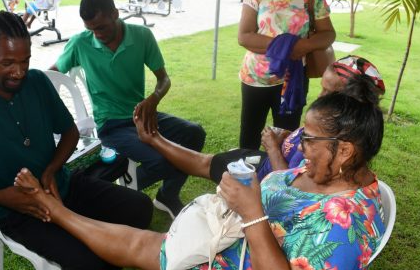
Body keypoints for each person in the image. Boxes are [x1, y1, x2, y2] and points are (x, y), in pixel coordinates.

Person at [14, 85, 387, 270]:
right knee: (139, 242)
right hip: (228, 251)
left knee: (138, 245)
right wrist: (155, 139)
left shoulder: (346, 227)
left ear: (345, 150)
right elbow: (207, 164)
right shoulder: (326, 171)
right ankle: (58, 211)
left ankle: (55, 211)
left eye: (308, 139)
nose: (299, 144)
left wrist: (252, 212)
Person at [0, 11, 154, 270]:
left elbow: (70, 132)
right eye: (8, 62)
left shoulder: (36, 82)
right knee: (82, 261)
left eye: (25, 61)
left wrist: (51, 170)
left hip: (62, 186)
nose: (19, 71)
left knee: (138, 207)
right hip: (18, 211)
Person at [50, 0, 206, 218]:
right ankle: (118, 192)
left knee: (194, 133)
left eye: (101, 27)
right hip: (110, 125)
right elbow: (52, 75)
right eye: (90, 29)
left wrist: (153, 99)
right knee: (164, 159)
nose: (96, 34)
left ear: (115, 14)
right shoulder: (80, 44)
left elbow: (164, 79)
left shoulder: (141, 36)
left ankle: (166, 195)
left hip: (141, 116)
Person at [135, 55, 385, 185]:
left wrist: (274, 147)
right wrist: (288, 136)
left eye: (330, 93)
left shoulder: (331, 151)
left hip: (265, 177)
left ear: (351, 104)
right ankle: (155, 141)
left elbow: (289, 185)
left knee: (205, 163)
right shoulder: (339, 131)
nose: (320, 97)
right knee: (215, 160)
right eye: (322, 89)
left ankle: (153, 139)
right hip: (264, 163)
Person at [238, 0, 336, 150]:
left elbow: (328, 34)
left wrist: (304, 46)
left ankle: (279, 179)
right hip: (256, 77)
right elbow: (244, 37)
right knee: (249, 136)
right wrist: (288, 46)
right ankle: (247, 179)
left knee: (287, 139)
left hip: (292, 80)